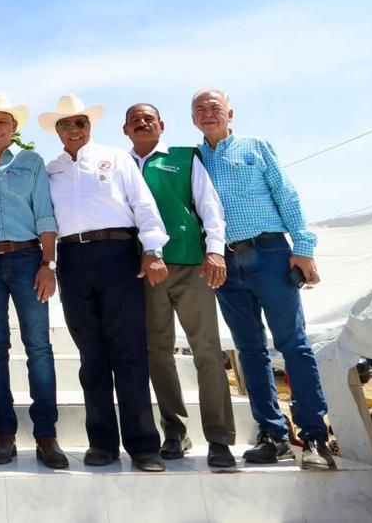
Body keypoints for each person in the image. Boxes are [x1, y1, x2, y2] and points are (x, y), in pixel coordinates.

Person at [191, 88, 334, 471]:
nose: (207, 113)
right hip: (224, 262)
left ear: (230, 113)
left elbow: (286, 194)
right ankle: (273, 434)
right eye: (200, 109)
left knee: (293, 344)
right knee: (248, 350)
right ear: (192, 119)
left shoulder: (256, 146)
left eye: (215, 107)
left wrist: (303, 245)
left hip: (269, 252)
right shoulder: (194, 160)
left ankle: (315, 437)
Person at [42, 94, 169, 473]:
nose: (74, 130)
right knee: (92, 356)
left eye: (80, 122)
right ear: (57, 131)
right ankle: (101, 443)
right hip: (72, 260)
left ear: (89, 125)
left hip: (118, 255)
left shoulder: (115, 158)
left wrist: (152, 249)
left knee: (129, 352)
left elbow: (143, 205)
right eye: (66, 124)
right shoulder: (50, 170)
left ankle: (144, 446)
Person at [122, 102, 236, 470]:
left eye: (149, 119)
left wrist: (215, 251)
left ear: (162, 125)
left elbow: (209, 206)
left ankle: (219, 438)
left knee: (207, 351)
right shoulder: (120, 165)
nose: (142, 123)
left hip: (191, 265)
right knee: (158, 354)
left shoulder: (185, 158)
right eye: (135, 120)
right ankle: (174, 432)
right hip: (144, 271)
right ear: (125, 130)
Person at [0, 93, 66, 469]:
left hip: (27, 260)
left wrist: (48, 264)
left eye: (2, 121)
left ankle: (46, 435)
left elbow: (46, 215)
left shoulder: (31, 162)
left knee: (39, 347)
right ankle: (4, 432)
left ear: (14, 126)